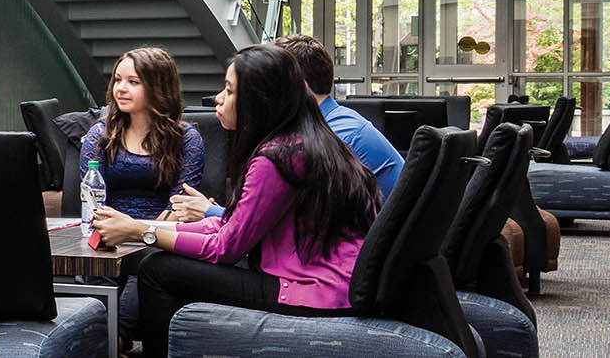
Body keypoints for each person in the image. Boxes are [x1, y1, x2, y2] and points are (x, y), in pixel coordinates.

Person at [92, 44, 380, 358]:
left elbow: (225, 248)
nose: (218, 98)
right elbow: (228, 224)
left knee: (157, 270)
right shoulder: (301, 141)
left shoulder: (275, 159)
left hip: (313, 291)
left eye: (228, 90)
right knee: (166, 264)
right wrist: (145, 226)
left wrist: (140, 234)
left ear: (257, 101)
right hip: (329, 283)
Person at [167, 35, 403, 222]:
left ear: (295, 86)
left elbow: (283, 227)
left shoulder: (331, 139)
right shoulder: (331, 125)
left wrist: (211, 213)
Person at [78, 47, 204, 220]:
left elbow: (181, 206)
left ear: (158, 88)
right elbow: (93, 200)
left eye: (133, 82)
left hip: (164, 238)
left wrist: (140, 233)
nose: (120, 88)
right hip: (108, 233)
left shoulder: (187, 139)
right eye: (117, 80)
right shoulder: (100, 134)